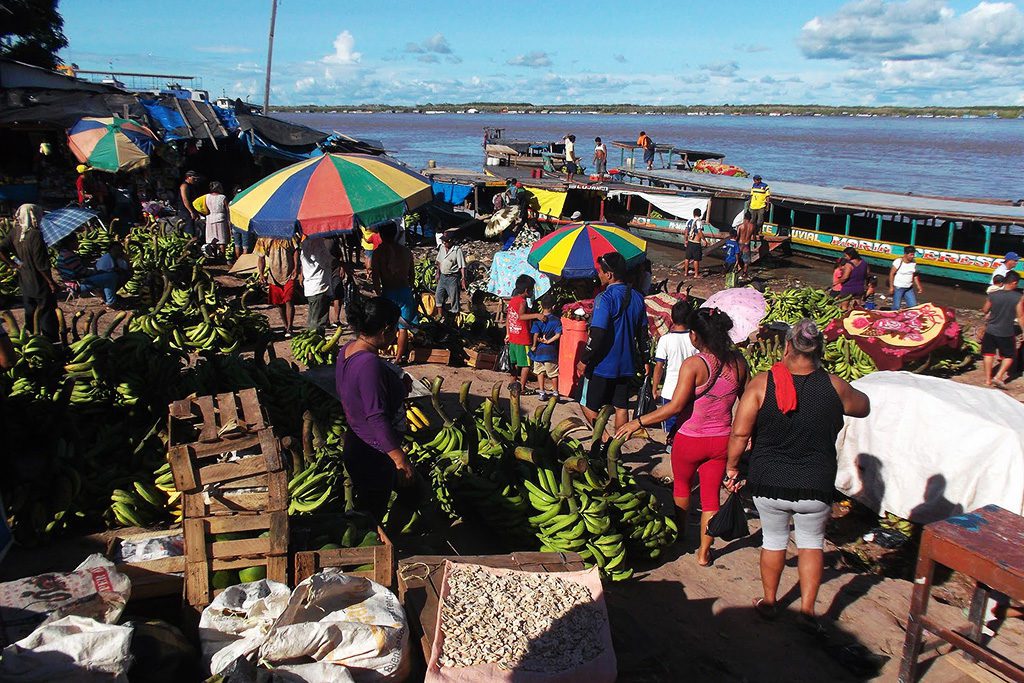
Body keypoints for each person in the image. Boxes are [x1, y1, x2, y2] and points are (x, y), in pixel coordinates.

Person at [726, 319, 870, 631]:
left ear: (787, 346)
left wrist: (733, 466)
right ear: (820, 351)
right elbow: (864, 407)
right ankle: (807, 610)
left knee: (774, 541)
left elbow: (739, 434)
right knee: (811, 544)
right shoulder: (834, 386)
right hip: (815, 483)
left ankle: (769, 602)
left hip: (769, 481)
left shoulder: (762, 384)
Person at [617, 308, 748, 565]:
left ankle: (679, 534)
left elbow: (675, 406)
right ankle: (704, 553)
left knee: (682, 487)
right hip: (723, 439)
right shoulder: (739, 362)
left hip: (690, 438)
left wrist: (638, 422)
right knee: (711, 496)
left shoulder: (694, 365)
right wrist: (746, 436)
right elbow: (745, 404)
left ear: (696, 336)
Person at [335, 296, 415, 519]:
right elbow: (376, 417)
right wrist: (399, 458)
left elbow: (353, 391)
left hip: (357, 443)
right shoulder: (369, 364)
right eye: (395, 329)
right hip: (374, 453)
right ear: (386, 329)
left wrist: (395, 385)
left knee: (371, 505)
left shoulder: (349, 350)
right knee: (372, 514)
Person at [579, 252, 649, 434]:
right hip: (626, 363)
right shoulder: (637, 298)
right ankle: (617, 449)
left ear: (609, 274)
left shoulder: (605, 298)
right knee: (621, 406)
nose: (598, 275)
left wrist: (584, 359)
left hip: (603, 364)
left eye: (600, 272)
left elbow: (598, 333)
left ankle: (604, 441)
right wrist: (646, 359)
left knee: (587, 405)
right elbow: (643, 333)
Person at [0, 204, 58, 339]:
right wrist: (51, 282)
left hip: (24, 280)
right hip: (39, 281)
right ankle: (51, 341)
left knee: (30, 310)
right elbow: (41, 264)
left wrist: (13, 264)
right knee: (46, 313)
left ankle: (33, 337)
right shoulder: (35, 235)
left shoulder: (15, 232)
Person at [649, 299, 698, 440]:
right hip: (691, 390)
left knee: (671, 432)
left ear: (671, 317)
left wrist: (654, 389)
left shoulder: (665, 340)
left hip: (670, 391)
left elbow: (659, 366)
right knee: (688, 427)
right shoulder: (695, 339)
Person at [371, 222, 415, 363]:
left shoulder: (378, 253)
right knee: (403, 328)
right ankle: (398, 358)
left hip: (388, 292)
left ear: (381, 235)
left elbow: (375, 277)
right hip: (404, 291)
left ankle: (379, 353)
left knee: (385, 326)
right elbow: (412, 275)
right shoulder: (406, 252)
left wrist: (378, 294)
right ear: (395, 233)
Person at [980, 270, 1024, 389]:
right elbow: (1020, 316)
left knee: (988, 354)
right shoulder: (1018, 297)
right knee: (1009, 356)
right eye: (1017, 283)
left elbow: (984, 310)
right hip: (1006, 331)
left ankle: (988, 380)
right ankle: (998, 376)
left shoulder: (993, 295)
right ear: (1014, 282)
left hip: (990, 330)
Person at [256, 235, 300, 337]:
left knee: (289, 299)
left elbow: (295, 251)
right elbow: (261, 257)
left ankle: (290, 327)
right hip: (273, 275)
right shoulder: (263, 238)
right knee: (279, 303)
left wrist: (296, 267)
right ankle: (285, 326)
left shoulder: (289, 236)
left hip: (289, 273)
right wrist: (261, 274)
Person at [506, 275, 541, 393]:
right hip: (523, 338)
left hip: (513, 337)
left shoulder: (512, 301)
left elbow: (508, 318)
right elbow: (521, 316)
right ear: (527, 290)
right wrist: (537, 315)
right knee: (526, 364)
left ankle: (512, 384)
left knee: (514, 363)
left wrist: (508, 333)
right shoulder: (522, 302)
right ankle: (521, 387)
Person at [530, 295, 562, 401]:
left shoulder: (537, 321)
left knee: (540, 372)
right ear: (553, 307)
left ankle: (542, 392)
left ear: (541, 306)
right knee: (553, 373)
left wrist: (534, 345)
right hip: (550, 351)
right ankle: (556, 393)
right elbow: (558, 335)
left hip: (539, 352)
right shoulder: (556, 321)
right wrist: (548, 341)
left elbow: (535, 334)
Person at [299, 235, 333, 331]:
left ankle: (314, 339)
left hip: (313, 286)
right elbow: (326, 262)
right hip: (318, 286)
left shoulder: (305, 244)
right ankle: (316, 341)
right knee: (318, 322)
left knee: (314, 319)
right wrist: (342, 264)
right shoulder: (316, 243)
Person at [435, 231, 466, 320]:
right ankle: (440, 315)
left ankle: (454, 317)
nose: (444, 243)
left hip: (452, 277)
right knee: (438, 295)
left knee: (453, 298)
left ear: (451, 241)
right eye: (444, 241)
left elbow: (462, 266)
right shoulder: (442, 248)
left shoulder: (457, 250)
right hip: (443, 277)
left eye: (446, 241)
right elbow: (439, 262)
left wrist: (463, 278)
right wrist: (437, 273)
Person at [889, 245, 923, 310]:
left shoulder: (913, 262)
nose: (913, 256)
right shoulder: (898, 262)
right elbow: (891, 274)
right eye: (911, 255)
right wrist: (891, 287)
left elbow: (915, 275)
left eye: (913, 254)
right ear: (905, 254)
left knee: (913, 306)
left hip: (909, 288)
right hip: (898, 288)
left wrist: (918, 286)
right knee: (896, 307)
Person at [204, 181, 230, 260]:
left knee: (213, 239)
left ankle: (214, 255)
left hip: (210, 218)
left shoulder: (207, 197)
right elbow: (227, 209)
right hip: (220, 218)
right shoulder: (222, 197)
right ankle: (222, 257)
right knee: (222, 239)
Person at [230, 186, 255, 260]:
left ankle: (238, 262)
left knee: (237, 245)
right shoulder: (247, 202)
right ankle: (243, 263)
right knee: (245, 247)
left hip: (234, 225)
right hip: (244, 226)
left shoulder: (231, 203)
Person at [177, 171, 202, 237]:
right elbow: (185, 200)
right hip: (185, 211)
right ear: (188, 177)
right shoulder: (184, 186)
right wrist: (191, 211)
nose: (195, 180)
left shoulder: (192, 186)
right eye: (194, 178)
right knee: (188, 230)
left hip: (191, 210)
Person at [683, 208, 705, 279]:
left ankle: (686, 273)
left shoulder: (689, 221)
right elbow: (699, 231)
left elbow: (686, 231)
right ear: (700, 214)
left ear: (693, 213)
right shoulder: (698, 221)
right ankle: (696, 274)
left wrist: (685, 240)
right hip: (696, 242)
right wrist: (704, 240)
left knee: (687, 258)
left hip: (690, 241)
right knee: (696, 259)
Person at [737, 211, 755, 279]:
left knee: (738, 258)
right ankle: (744, 273)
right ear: (750, 218)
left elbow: (737, 236)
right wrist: (755, 243)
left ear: (744, 218)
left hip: (740, 244)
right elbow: (754, 236)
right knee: (746, 261)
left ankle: (740, 272)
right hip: (747, 244)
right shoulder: (752, 226)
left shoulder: (740, 226)